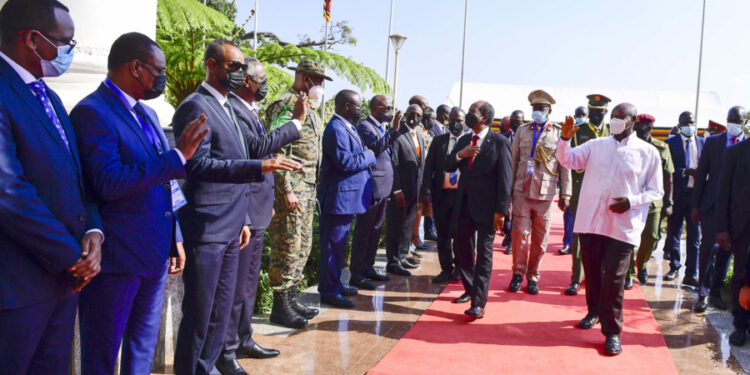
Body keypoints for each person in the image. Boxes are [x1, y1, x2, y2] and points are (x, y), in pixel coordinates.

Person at [70, 32, 205, 375]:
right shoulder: (92, 112)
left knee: (142, 348)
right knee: (102, 352)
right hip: (118, 257)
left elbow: (166, 183)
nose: (161, 77)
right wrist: (177, 155)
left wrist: (174, 235)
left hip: (155, 253)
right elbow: (108, 182)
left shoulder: (145, 114)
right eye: (157, 70)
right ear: (134, 68)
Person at [172, 39, 302, 375]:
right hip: (208, 224)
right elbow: (197, 166)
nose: (240, 73)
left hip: (232, 222)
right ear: (212, 65)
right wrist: (259, 167)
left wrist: (243, 217)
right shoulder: (196, 106)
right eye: (234, 66)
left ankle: (209, 366)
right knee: (201, 312)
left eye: (242, 67)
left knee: (221, 307)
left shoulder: (228, 106)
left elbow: (245, 149)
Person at [0, 1, 104, 373]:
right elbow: (8, 191)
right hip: (17, 285)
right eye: (64, 42)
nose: (69, 53)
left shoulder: (50, 97)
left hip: (63, 282)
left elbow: (76, 176)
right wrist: (70, 256)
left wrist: (93, 230)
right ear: (31, 40)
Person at [557, 103, 663, 356]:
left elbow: (656, 190)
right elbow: (568, 160)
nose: (615, 121)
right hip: (592, 222)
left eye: (620, 118)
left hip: (623, 226)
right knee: (592, 273)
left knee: (614, 279)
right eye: (612, 117)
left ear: (633, 120)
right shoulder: (597, 145)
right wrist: (564, 139)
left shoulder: (648, 152)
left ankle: (612, 332)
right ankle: (594, 310)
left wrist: (631, 201)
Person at [219, 56, 300, 365]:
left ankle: (242, 338)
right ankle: (228, 347)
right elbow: (257, 148)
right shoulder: (235, 110)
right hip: (245, 211)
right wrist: (296, 124)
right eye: (261, 78)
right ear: (248, 82)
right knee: (237, 286)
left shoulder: (248, 110)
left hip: (258, 210)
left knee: (249, 283)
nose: (265, 83)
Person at [265, 59, 327, 329]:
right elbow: (276, 149)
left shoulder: (309, 106)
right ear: (303, 77)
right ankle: (280, 307)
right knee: (287, 246)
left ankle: (292, 298)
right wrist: (286, 189)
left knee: (303, 245)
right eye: (317, 79)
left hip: (308, 187)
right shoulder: (285, 103)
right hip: (292, 188)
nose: (321, 86)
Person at [446, 100, 512, 318]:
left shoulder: (500, 142)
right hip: (463, 206)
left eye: (473, 112)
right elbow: (448, 165)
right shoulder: (465, 140)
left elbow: (505, 179)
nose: (468, 116)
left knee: (484, 254)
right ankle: (470, 289)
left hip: (487, 209)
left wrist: (501, 211)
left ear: (484, 118)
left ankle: (478, 303)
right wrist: (460, 155)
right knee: (462, 250)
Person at [317, 89, 376, 308]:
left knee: (339, 246)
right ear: (346, 106)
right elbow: (345, 162)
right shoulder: (335, 128)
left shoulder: (346, 127)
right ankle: (329, 291)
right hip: (337, 200)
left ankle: (336, 284)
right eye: (358, 105)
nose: (360, 109)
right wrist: (369, 155)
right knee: (332, 248)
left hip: (346, 200)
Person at [508, 90, 571, 294]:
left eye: (541, 109)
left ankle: (533, 276)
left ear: (549, 111)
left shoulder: (558, 133)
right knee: (519, 236)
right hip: (521, 190)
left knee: (540, 238)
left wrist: (566, 194)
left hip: (545, 194)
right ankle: (518, 273)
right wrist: (508, 190)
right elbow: (513, 160)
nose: (537, 112)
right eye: (534, 109)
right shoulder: (522, 131)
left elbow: (565, 165)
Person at [691, 106, 746, 313]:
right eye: (729, 120)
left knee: (727, 251)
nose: (731, 124)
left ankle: (715, 291)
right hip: (712, 206)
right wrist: (695, 206)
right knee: (708, 248)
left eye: (736, 121)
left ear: (743, 124)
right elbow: (701, 175)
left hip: (738, 211)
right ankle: (702, 294)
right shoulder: (713, 143)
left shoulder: (746, 146)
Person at [349, 95, 401, 290]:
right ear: (375, 109)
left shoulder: (381, 128)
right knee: (364, 231)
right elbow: (377, 149)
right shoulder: (365, 127)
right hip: (371, 187)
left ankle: (368, 268)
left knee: (376, 230)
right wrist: (394, 131)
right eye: (386, 107)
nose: (389, 111)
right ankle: (357, 273)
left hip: (383, 188)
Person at [565, 94, 611, 296]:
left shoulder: (612, 132)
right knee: (579, 235)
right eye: (592, 110)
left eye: (599, 111)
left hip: (608, 191)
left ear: (606, 112)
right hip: (582, 190)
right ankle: (577, 278)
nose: (595, 115)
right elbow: (568, 161)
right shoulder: (578, 131)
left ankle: (601, 274)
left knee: (606, 232)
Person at [423, 107, 468, 283]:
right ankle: (446, 269)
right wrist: (426, 191)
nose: (455, 124)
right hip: (441, 195)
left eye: (459, 120)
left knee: (459, 235)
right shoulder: (438, 141)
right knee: (442, 235)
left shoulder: (470, 141)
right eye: (452, 120)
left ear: (465, 122)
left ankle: (459, 268)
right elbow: (428, 168)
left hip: (461, 197)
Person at [630, 114, 673, 289]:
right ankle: (629, 273)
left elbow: (669, 176)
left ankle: (642, 265)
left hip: (654, 201)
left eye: (644, 126)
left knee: (651, 236)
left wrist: (669, 202)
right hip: (631, 200)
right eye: (638, 126)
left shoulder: (662, 147)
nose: (640, 130)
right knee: (629, 238)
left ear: (651, 128)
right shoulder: (629, 146)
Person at [663, 111, 704, 286]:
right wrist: (685, 171)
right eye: (685, 123)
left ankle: (691, 273)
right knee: (674, 232)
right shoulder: (670, 143)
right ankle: (674, 267)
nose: (689, 125)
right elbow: (667, 170)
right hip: (678, 194)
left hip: (696, 196)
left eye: (692, 122)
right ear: (679, 125)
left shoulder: (704, 143)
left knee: (694, 235)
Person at [385, 104, 426, 276]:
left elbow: (420, 164)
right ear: (406, 114)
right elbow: (392, 163)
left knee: (407, 226)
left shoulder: (421, 136)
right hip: (400, 191)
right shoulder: (398, 134)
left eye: (417, 115)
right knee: (395, 225)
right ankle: (393, 261)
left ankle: (402, 257)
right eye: (411, 113)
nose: (414, 117)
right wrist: (396, 189)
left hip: (415, 190)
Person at [717, 137, 750, 346]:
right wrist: (722, 228)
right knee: (741, 275)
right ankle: (740, 325)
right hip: (742, 226)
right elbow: (723, 192)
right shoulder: (736, 152)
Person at [559, 106, 588, 255]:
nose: (580, 117)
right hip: (572, 183)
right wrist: (563, 192)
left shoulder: (593, 133)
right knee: (569, 216)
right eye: (578, 114)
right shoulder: (570, 130)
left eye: (583, 115)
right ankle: (567, 243)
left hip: (589, 183)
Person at [408, 94, 431, 251]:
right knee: (410, 213)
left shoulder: (422, 129)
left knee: (419, 209)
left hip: (421, 177)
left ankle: (414, 238)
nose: (426, 109)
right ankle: (409, 243)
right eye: (424, 106)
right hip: (408, 179)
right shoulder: (406, 127)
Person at [501, 110, 525, 254]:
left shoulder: (527, 138)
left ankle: (511, 240)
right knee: (505, 210)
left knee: (516, 212)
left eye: (519, 121)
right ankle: (507, 231)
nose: (515, 123)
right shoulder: (504, 138)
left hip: (519, 180)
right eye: (513, 121)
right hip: (505, 179)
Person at [420, 105, 441, 242]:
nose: (433, 122)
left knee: (427, 206)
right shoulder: (419, 131)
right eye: (431, 118)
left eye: (434, 118)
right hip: (420, 175)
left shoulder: (430, 132)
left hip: (429, 174)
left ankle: (428, 231)